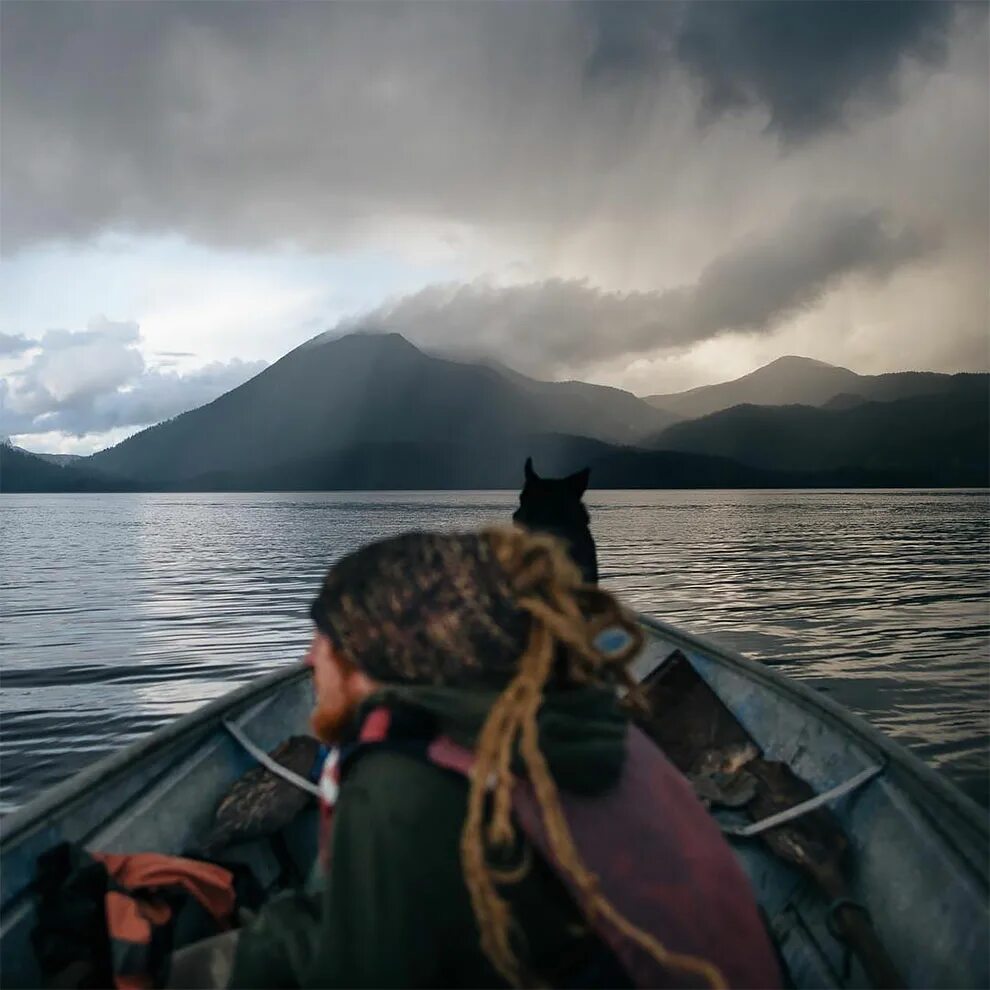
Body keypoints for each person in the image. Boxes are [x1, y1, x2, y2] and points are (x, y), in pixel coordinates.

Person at [227, 526, 781, 989]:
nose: (308, 658)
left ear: (377, 654)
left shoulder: (401, 784)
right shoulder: (580, 721)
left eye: (325, 638)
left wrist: (267, 942)